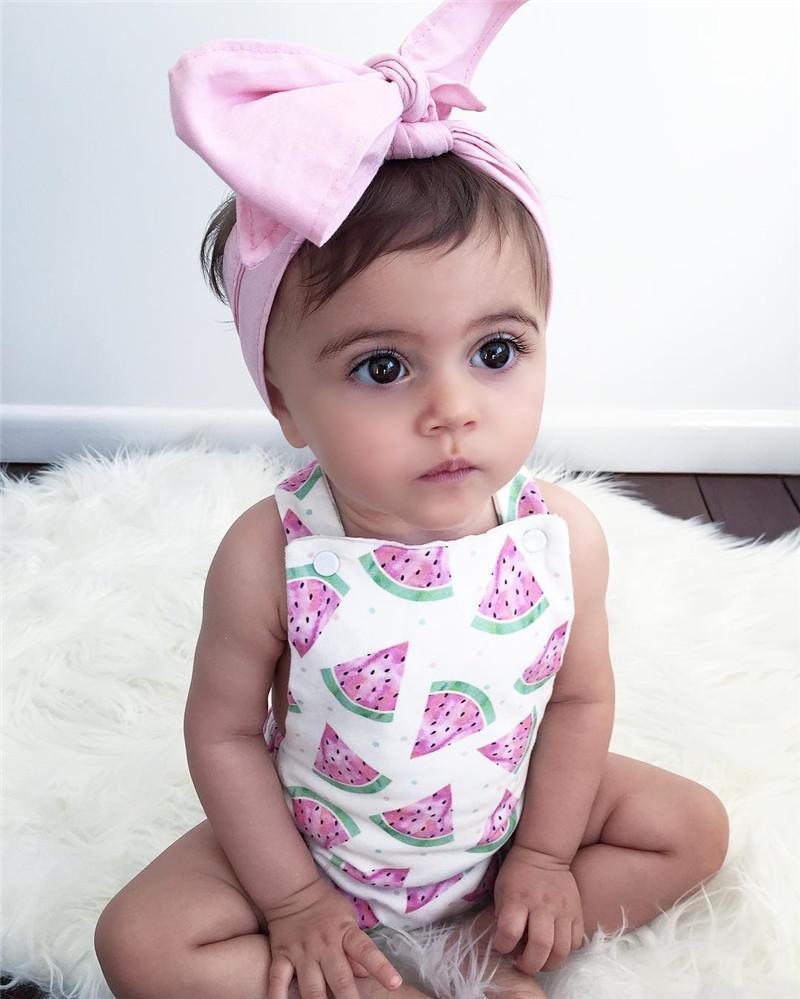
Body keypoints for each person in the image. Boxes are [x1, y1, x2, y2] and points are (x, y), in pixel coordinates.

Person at [94, 3, 730, 998]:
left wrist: (545, 856)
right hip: (319, 841)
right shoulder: (271, 553)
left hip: (504, 825)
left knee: (690, 829)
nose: (452, 409)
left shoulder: (558, 538)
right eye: (383, 366)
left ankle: (483, 947)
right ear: (284, 401)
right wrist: (293, 900)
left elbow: (576, 702)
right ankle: (361, 970)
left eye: (495, 351)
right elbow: (223, 735)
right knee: (138, 943)